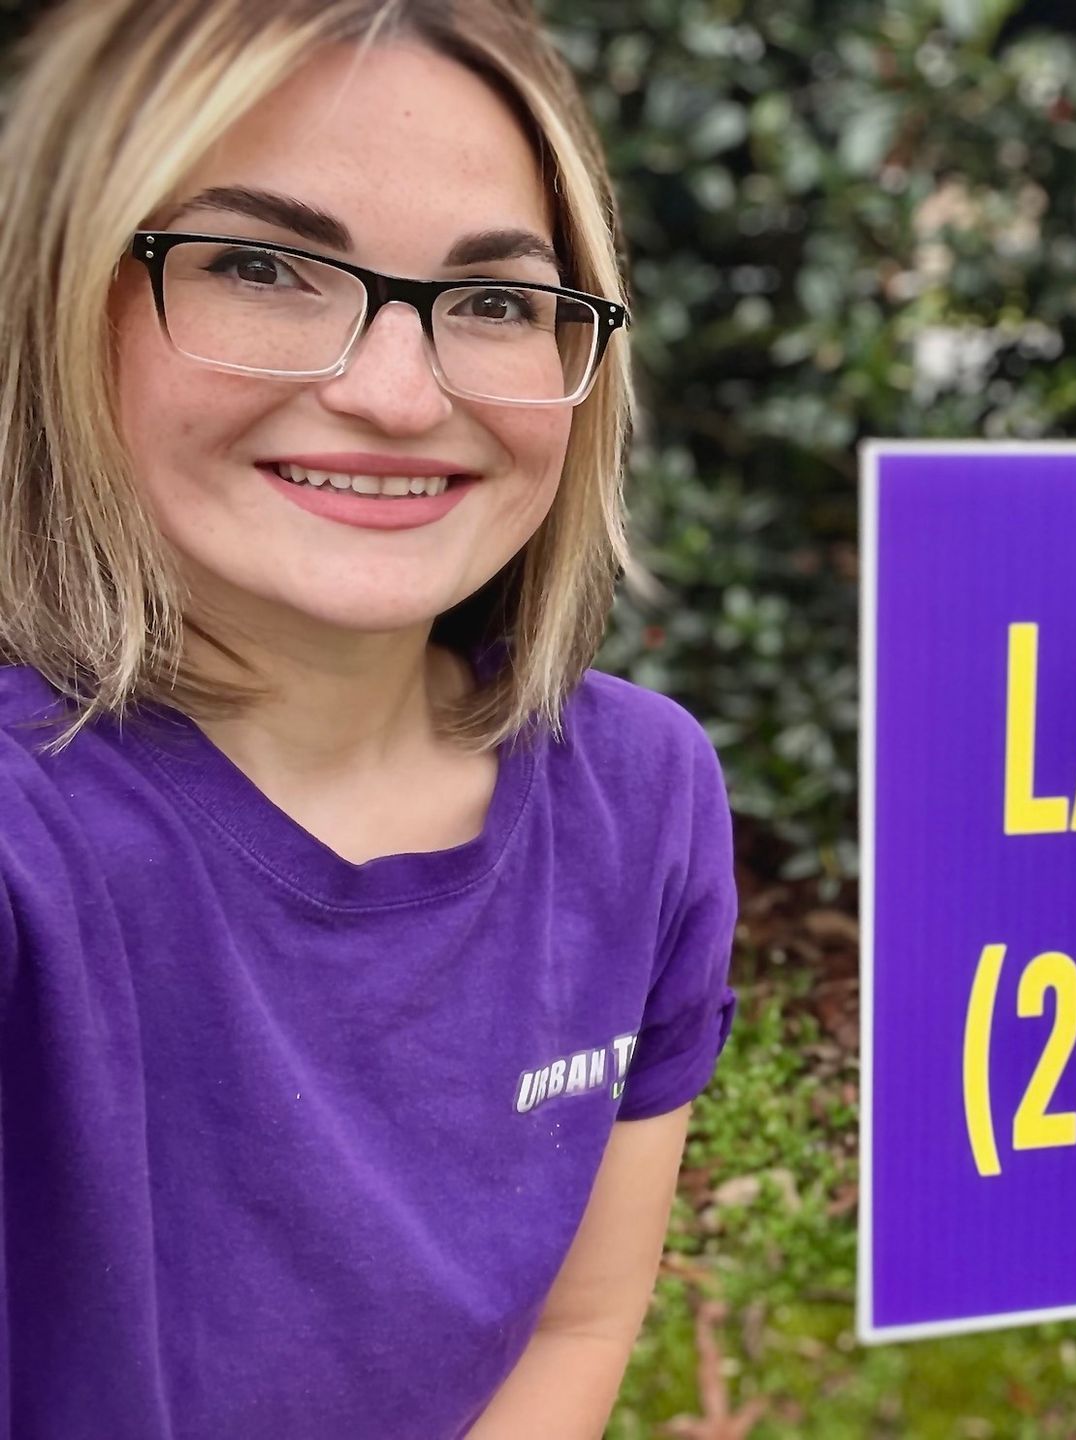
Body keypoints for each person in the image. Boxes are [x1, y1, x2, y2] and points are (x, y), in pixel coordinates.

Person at [0, 1, 738, 1435]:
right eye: (264, 266)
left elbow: (578, 1324)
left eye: (496, 300)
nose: (396, 393)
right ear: (62, 294)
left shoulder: (643, 792)